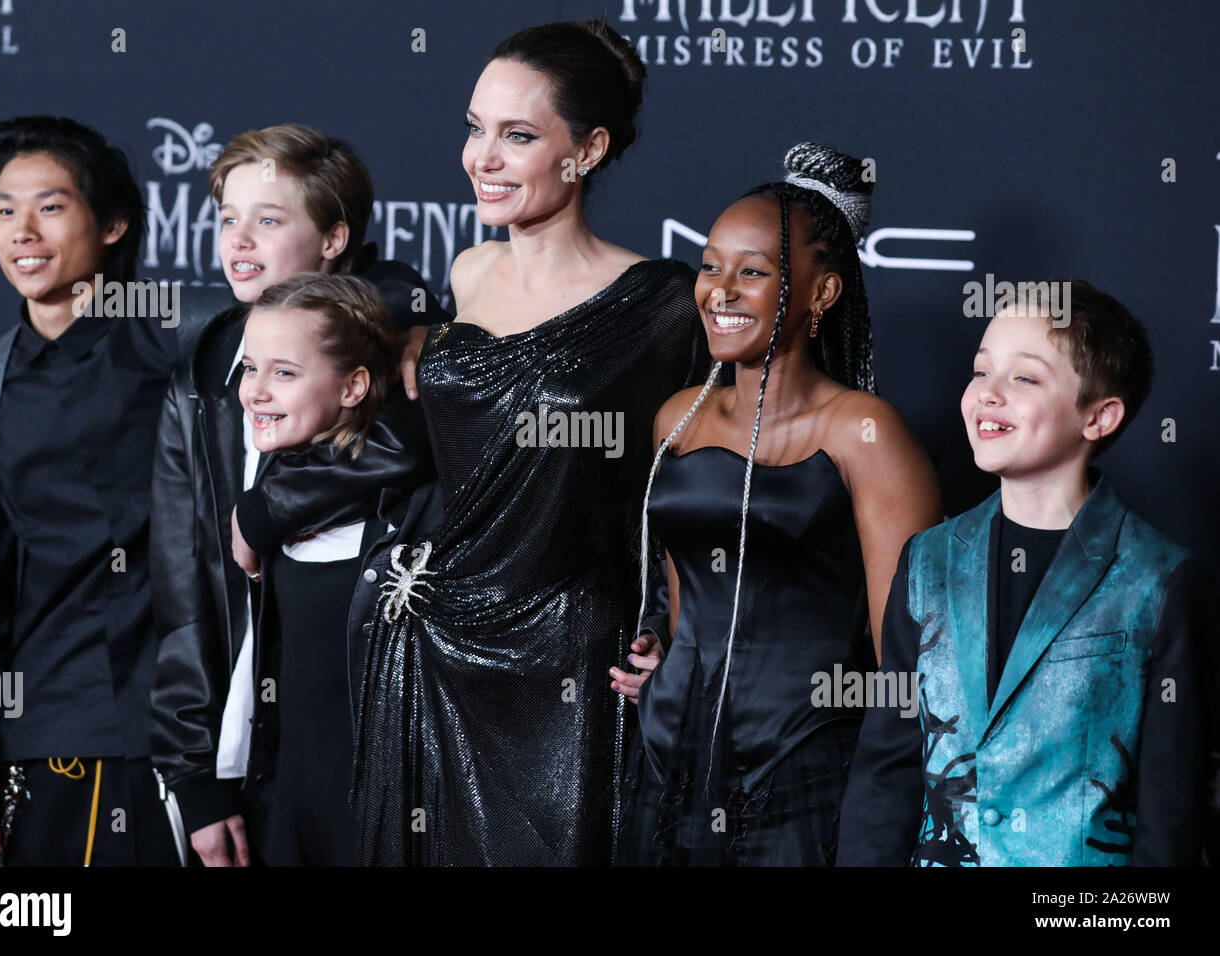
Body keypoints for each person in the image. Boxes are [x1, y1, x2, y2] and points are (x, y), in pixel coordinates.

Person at [345, 19, 711, 866]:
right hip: (434, 638)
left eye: (518, 136)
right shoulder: (467, 272)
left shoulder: (662, 301)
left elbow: (690, 488)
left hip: (568, 658)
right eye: (475, 129)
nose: (484, 157)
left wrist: (672, 626)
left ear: (586, 150)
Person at [611, 144, 941, 866]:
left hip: (804, 770)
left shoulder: (865, 432)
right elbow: (686, 598)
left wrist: (888, 816)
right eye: (710, 266)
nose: (720, 290)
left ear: (822, 295)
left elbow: (905, 657)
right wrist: (660, 652)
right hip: (669, 761)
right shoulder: (677, 419)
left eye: (753, 272)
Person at [837, 281, 1218, 866]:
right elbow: (885, 774)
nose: (988, 394)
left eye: (1024, 378)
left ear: (1098, 416)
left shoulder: (1159, 581)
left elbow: (1171, 816)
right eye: (981, 370)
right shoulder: (928, 560)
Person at [148, 124, 441, 867]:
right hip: (249, 756)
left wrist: (264, 510)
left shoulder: (399, 330)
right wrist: (192, 775)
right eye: (227, 219)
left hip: (371, 756)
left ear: (336, 237)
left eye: (269, 220)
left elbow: (406, 440)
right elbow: (188, 585)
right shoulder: (206, 361)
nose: (239, 241)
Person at [0, 115, 183, 865]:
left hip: (195, 733)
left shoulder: (180, 335)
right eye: (6, 211)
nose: (23, 231)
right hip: (55, 732)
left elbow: (328, 315)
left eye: (50, 206)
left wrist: (403, 319)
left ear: (112, 224)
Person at [224, 272, 400, 865]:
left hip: (385, 812)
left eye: (284, 372)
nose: (256, 391)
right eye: (250, 368)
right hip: (288, 807)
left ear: (353, 385)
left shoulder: (411, 514)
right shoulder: (268, 498)